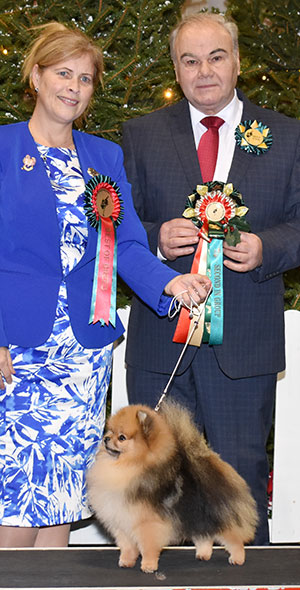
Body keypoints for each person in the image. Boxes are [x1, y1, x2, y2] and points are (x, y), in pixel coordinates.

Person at [0, 21, 211, 548]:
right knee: (15, 498)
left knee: (62, 501)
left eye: (86, 78)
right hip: (16, 351)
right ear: (36, 76)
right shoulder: (3, 150)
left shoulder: (103, 158)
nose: (73, 87)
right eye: (63, 74)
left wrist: (171, 285)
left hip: (83, 352)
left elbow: (131, 247)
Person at [122, 11, 300, 545]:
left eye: (216, 57)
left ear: (238, 61)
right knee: (156, 488)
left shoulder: (287, 137)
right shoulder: (140, 134)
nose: (204, 71)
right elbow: (117, 225)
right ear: (176, 70)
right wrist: (157, 237)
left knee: (240, 483)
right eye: (190, 60)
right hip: (161, 340)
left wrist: (271, 247)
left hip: (244, 344)